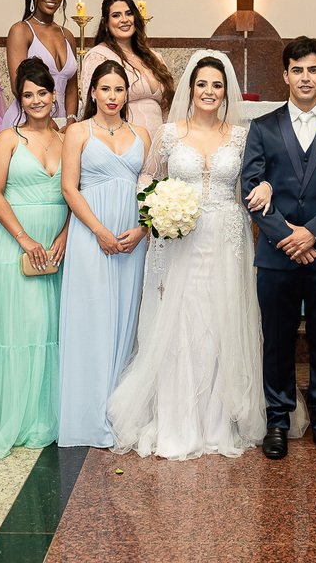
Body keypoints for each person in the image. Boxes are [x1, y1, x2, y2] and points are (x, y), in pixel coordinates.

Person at [108, 51, 266, 460]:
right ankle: (178, 420)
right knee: (180, 319)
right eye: (201, 84)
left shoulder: (242, 137)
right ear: (190, 90)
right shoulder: (168, 132)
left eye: (216, 85)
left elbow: (256, 181)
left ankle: (218, 420)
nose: (209, 92)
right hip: (178, 238)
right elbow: (148, 176)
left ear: (226, 91)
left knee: (223, 319)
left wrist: (265, 187)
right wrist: (154, 209)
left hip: (228, 239)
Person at [241, 37, 316, 461]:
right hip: (277, 255)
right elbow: (250, 188)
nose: (306, 77)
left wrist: (312, 234)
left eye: (313, 70)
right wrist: (287, 238)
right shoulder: (263, 127)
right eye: (297, 70)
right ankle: (278, 421)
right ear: (285, 75)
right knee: (276, 340)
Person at [0, 58, 71, 457]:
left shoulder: (68, 138)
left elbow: (77, 192)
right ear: (20, 99)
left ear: (53, 94)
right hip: (16, 244)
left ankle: (47, 417)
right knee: (17, 329)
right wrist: (24, 239)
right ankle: (12, 416)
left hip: (56, 247)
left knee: (49, 330)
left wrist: (63, 236)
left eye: (43, 92)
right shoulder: (8, 138)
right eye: (28, 94)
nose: (37, 100)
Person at [57, 60, 151, 448]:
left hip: (132, 236)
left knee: (125, 317)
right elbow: (68, 188)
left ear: (127, 94)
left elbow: (154, 187)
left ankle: (120, 410)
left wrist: (143, 228)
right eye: (105, 89)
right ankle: (87, 412)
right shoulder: (78, 132)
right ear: (92, 92)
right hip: (90, 234)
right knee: (92, 315)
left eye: (119, 90)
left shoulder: (144, 134)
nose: (112, 97)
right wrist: (99, 231)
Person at [78, 0, 174, 143]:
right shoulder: (99, 57)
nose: (124, 20)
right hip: (121, 145)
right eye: (116, 15)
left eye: (129, 13)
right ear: (105, 22)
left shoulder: (155, 58)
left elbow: (167, 107)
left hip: (159, 145)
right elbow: (92, 106)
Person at [2, 0, 79, 130]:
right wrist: (46, 121)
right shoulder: (21, 31)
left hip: (62, 121)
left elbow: (72, 88)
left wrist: (71, 121)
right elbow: (18, 85)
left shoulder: (68, 36)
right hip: (29, 118)